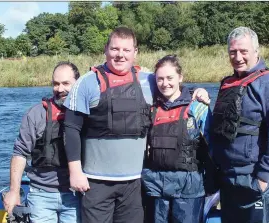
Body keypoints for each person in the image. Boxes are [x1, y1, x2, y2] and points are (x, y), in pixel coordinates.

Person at [62, 27, 210, 223]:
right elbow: (71, 129)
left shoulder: (148, 80)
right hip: (95, 182)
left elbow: (172, 90)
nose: (120, 55)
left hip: (135, 182)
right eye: (115, 49)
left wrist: (196, 91)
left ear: (135, 53)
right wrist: (75, 172)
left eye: (126, 50)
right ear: (106, 49)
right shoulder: (86, 83)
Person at [211, 26, 269, 222]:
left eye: (243, 51)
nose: (237, 57)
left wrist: (263, 178)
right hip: (229, 178)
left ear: (256, 52)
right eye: (233, 52)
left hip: (255, 178)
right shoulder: (227, 84)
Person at [141, 55, 216, 223]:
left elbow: (213, 147)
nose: (165, 83)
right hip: (155, 187)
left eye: (170, 78)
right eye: (160, 79)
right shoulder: (151, 108)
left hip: (189, 188)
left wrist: (213, 182)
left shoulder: (197, 108)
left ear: (180, 78)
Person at [3, 61, 81, 223]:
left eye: (66, 83)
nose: (60, 89)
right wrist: (14, 191)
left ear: (78, 83)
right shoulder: (35, 114)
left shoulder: (87, 112)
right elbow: (20, 153)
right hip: (41, 194)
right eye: (56, 84)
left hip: (75, 194)